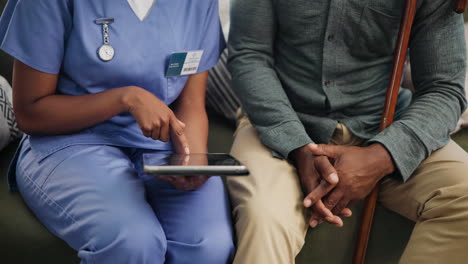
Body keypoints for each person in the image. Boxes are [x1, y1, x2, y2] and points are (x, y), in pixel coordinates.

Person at [227, 0, 468, 263]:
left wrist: (383, 156)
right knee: (263, 216)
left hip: (384, 125)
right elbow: (249, 55)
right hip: (279, 123)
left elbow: (444, 87)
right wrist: (296, 145)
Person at [0, 0, 234, 263]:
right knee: (133, 242)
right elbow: (30, 112)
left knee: (209, 247)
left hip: (160, 143)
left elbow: (190, 104)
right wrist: (126, 98)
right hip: (69, 141)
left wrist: (191, 158)